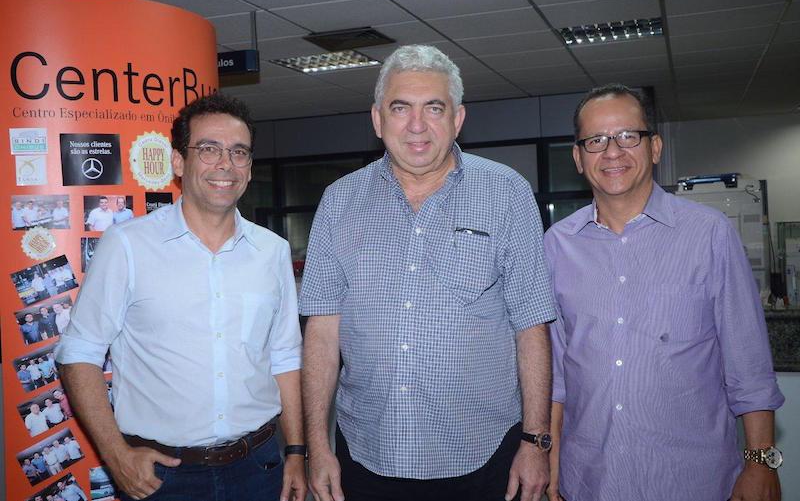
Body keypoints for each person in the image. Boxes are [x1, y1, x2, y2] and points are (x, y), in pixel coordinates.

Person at [300, 44, 556, 501]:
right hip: (366, 453)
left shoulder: (506, 193)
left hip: (484, 456)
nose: (416, 125)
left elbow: (531, 325)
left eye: (433, 108)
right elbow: (322, 333)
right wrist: (317, 447)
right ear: (377, 119)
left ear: (457, 119)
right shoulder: (339, 202)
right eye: (400, 108)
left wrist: (536, 442)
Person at [56, 92, 306, 501]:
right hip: (161, 476)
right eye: (209, 149)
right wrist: (115, 454)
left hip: (259, 468)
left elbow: (284, 356)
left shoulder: (272, 251)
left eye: (239, 152)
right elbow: (79, 352)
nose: (225, 164)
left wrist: (296, 451)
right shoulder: (128, 245)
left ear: (249, 167)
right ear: (177, 161)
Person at [544, 83, 785, 501]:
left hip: (692, 480)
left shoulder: (709, 234)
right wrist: (550, 462)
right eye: (596, 140)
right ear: (579, 158)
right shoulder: (556, 245)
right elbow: (556, 376)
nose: (612, 152)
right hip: (589, 480)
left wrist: (760, 463)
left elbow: (748, 365)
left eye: (627, 136)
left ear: (654, 147)